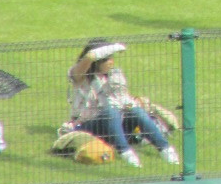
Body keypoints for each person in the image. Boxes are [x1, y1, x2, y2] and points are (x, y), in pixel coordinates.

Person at [67, 40, 179, 168]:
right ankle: (125, 152)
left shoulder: (114, 74)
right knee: (110, 111)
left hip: (116, 123)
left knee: (135, 111)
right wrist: (112, 47)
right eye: (107, 59)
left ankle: (165, 149)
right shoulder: (81, 77)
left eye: (112, 58)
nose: (111, 62)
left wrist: (132, 105)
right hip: (91, 126)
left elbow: (123, 99)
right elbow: (89, 57)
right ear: (97, 61)